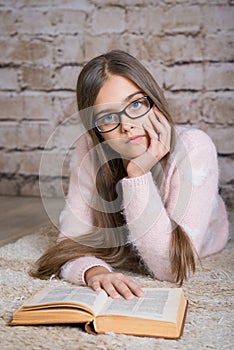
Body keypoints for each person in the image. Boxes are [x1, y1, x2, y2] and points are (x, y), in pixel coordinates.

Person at [31, 50, 229, 300]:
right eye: (108, 117)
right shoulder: (91, 149)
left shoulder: (195, 148)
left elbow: (170, 269)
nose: (126, 126)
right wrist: (93, 270)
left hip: (196, 240)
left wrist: (138, 173)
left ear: (154, 102)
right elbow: (70, 241)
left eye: (136, 104)